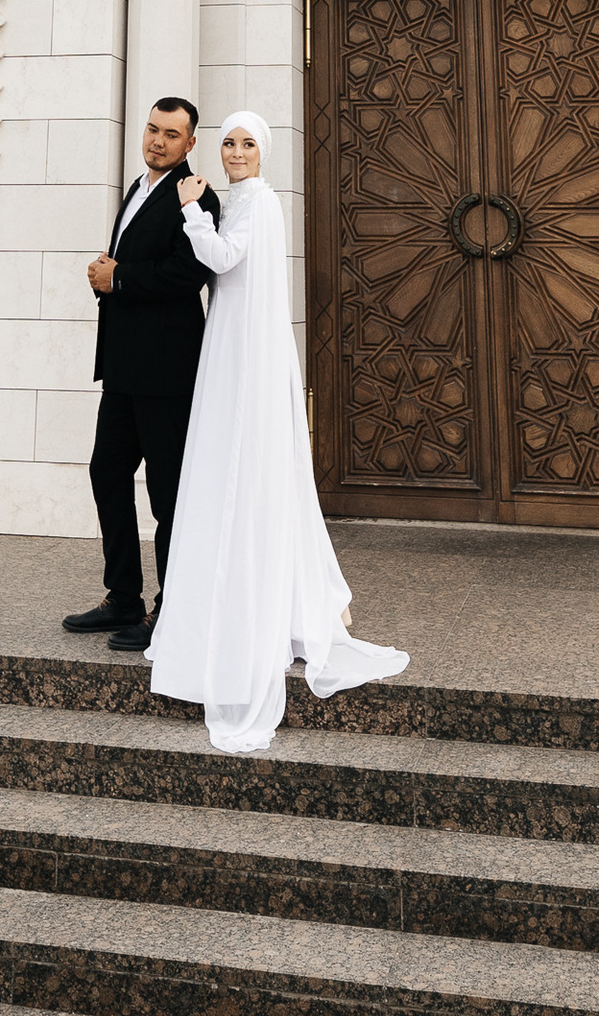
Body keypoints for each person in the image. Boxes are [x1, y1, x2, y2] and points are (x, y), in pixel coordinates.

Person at [148, 111, 409, 753]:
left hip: (243, 357)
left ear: (263, 154)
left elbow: (222, 258)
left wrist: (190, 210)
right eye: (229, 143)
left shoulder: (254, 204)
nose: (235, 153)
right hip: (237, 347)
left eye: (246, 145)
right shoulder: (247, 201)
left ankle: (251, 613)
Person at [68, 97, 220, 655]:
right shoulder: (138, 187)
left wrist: (121, 279)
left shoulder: (197, 195)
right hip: (125, 369)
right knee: (106, 472)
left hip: (168, 370)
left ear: (190, 143)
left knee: (167, 496)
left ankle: (172, 608)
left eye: (172, 134)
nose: (158, 141)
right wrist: (103, 274)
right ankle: (123, 597)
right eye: (153, 129)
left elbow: (190, 271)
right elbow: (127, 262)